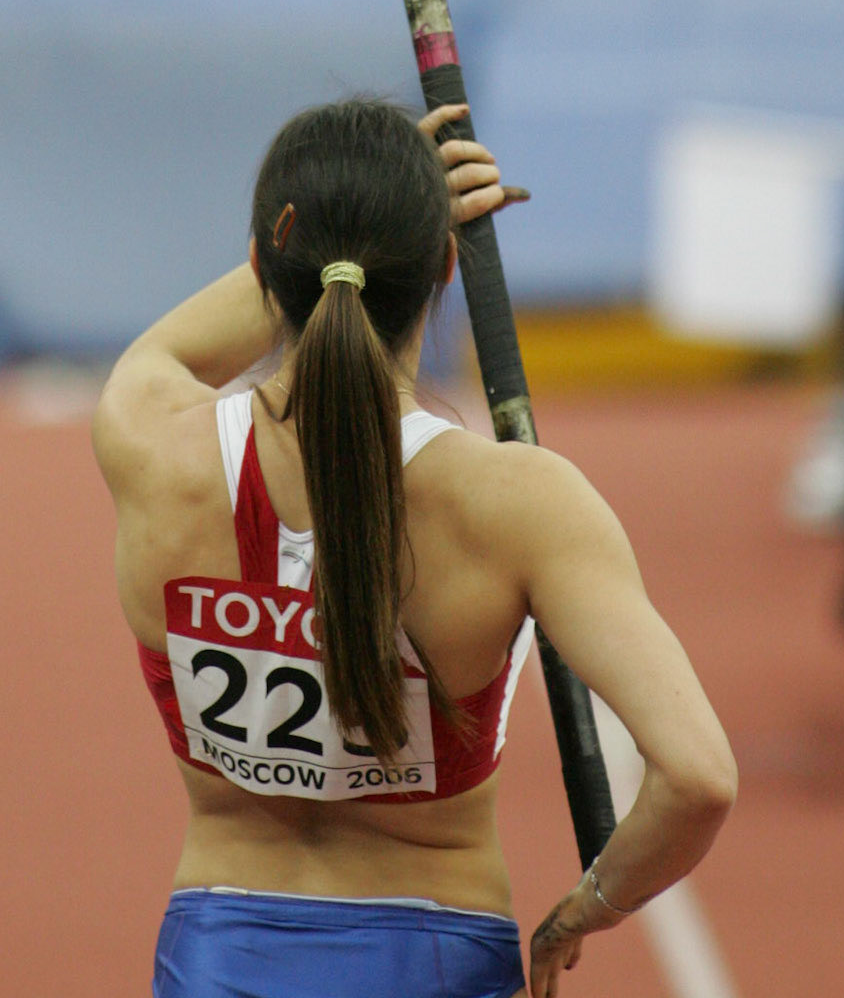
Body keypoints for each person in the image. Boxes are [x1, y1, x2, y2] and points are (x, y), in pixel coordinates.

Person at [93, 98, 736, 997]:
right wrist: (588, 907)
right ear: (443, 268)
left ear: (259, 264)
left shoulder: (146, 443)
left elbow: (170, 346)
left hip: (217, 956)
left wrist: (354, 221)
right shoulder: (520, 502)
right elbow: (697, 779)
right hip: (436, 956)